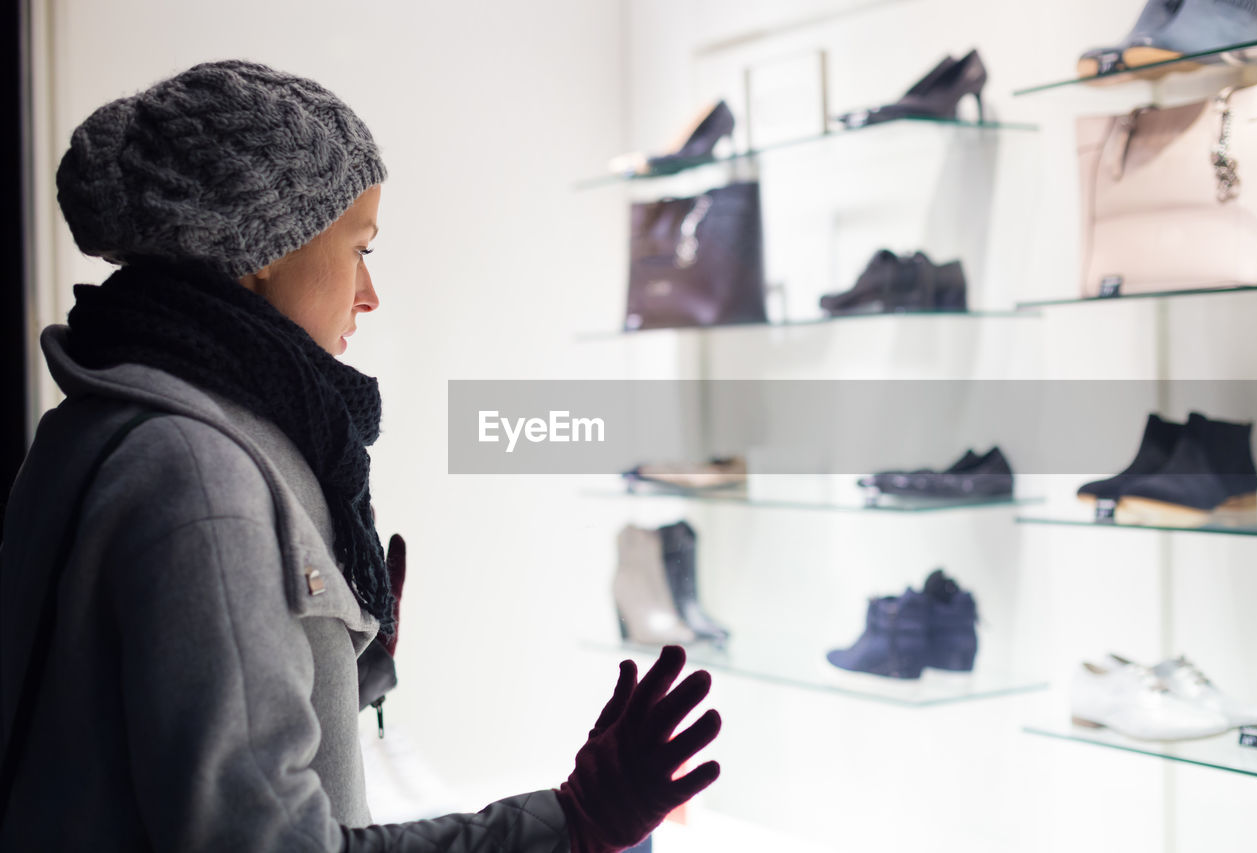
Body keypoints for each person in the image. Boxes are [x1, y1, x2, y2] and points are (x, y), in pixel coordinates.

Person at [0, 60, 720, 851]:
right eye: (359, 247)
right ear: (262, 246)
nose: (369, 293)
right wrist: (575, 821)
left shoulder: (105, 418)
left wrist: (341, 661)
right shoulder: (204, 474)